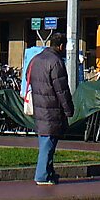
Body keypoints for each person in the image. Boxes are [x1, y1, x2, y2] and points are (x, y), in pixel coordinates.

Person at [28, 32, 74, 186]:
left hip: (39, 106)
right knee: (48, 143)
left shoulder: (37, 59)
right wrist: (69, 110)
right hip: (52, 108)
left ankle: (48, 172)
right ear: (61, 46)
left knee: (45, 140)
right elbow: (62, 90)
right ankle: (41, 175)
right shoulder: (56, 62)